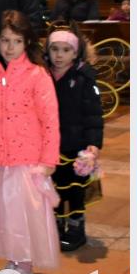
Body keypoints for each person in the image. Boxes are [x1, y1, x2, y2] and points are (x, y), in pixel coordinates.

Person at [0, 10, 61, 274]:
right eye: (5, 40)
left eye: (16, 41)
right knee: (2, 215)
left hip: (26, 160)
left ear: (26, 42)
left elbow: (50, 119)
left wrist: (49, 158)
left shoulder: (37, 75)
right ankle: (12, 260)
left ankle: (24, 264)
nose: (10, 47)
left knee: (24, 217)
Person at [45, 25, 103, 252]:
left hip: (76, 146)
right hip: (52, 146)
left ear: (76, 52)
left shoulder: (83, 77)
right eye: (55, 49)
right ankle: (56, 226)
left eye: (66, 50)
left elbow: (93, 114)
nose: (59, 55)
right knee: (54, 189)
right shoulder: (43, 75)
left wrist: (93, 144)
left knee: (75, 189)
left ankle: (77, 228)